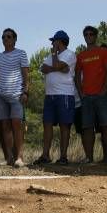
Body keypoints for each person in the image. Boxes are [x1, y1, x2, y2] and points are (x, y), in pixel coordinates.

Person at [34, 30, 77, 165]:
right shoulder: (52, 55)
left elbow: (58, 66)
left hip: (65, 94)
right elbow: (43, 68)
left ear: (60, 41)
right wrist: (57, 66)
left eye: (54, 41)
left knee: (65, 126)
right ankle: (45, 155)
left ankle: (63, 157)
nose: (52, 44)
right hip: (50, 95)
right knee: (47, 124)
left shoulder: (70, 54)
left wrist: (55, 63)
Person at [0, 28, 29, 167]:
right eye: (4, 37)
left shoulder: (21, 54)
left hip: (16, 94)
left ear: (15, 39)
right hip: (0, 95)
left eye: (9, 37)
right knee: (5, 126)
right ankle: (9, 158)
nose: (6, 39)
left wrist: (26, 92)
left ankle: (19, 158)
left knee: (17, 126)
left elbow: (26, 75)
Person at [74, 25, 107, 163]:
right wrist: (81, 93)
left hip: (101, 95)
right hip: (86, 97)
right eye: (86, 35)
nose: (89, 36)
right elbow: (77, 75)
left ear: (96, 36)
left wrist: (104, 89)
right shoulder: (81, 55)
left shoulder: (103, 52)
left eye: (91, 34)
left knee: (106, 125)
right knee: (87, 127)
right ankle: (89, 158)